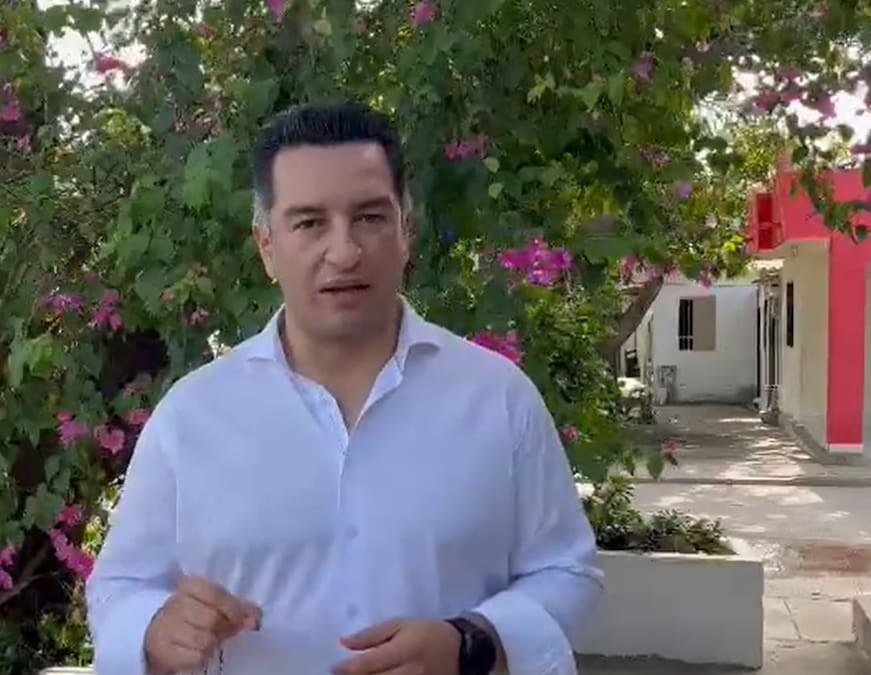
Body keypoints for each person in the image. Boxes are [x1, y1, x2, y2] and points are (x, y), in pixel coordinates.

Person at [86, 101, 603, 675]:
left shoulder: (498, 400)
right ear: (267, 246)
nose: (345, 251)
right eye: (310, 223)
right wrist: (154, 629)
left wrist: (469, 645)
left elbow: (567, 571)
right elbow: (119, 588)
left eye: (370, 217)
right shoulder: (192, 416)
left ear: (405, 232)